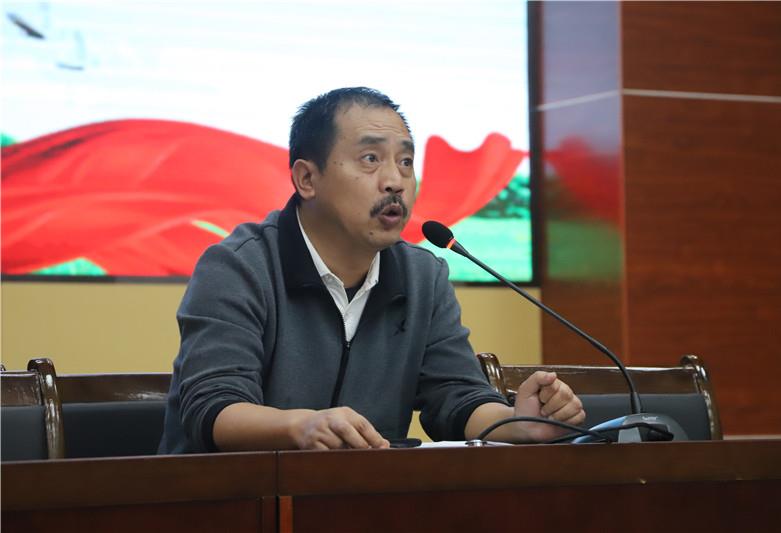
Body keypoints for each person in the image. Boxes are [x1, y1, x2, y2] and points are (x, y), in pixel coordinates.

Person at [158, 87, 584, 453]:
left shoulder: (423, 277)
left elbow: (455, 397)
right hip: (234, 502)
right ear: (307, 179)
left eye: (406, 162)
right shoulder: (240, 266)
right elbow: (212, 407)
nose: (395, 181)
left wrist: (518, 422)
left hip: (364, 502)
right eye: (370, 158)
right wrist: (300, 426)